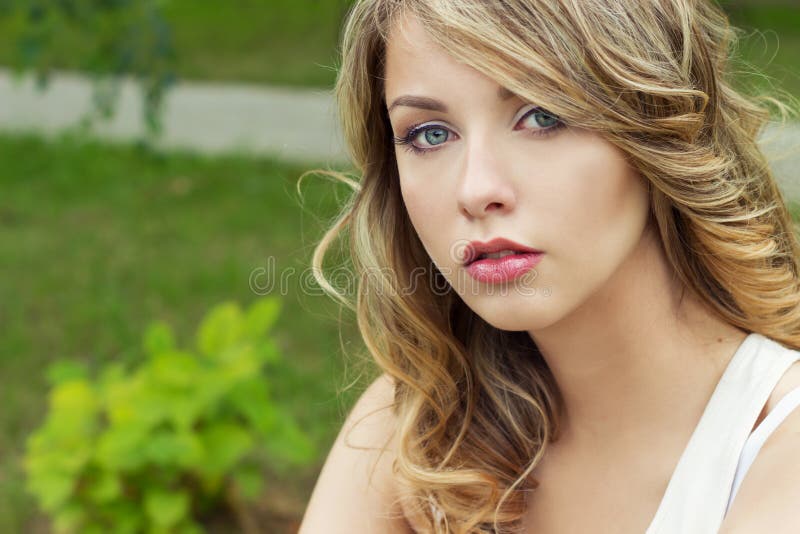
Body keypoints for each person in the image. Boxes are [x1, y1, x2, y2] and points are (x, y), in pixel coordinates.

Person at [300, 1, 800, 532]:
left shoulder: (778, 447)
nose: (476, 190)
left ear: (656, 127)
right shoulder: (414, 431)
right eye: (430, 134)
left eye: (541, 116)